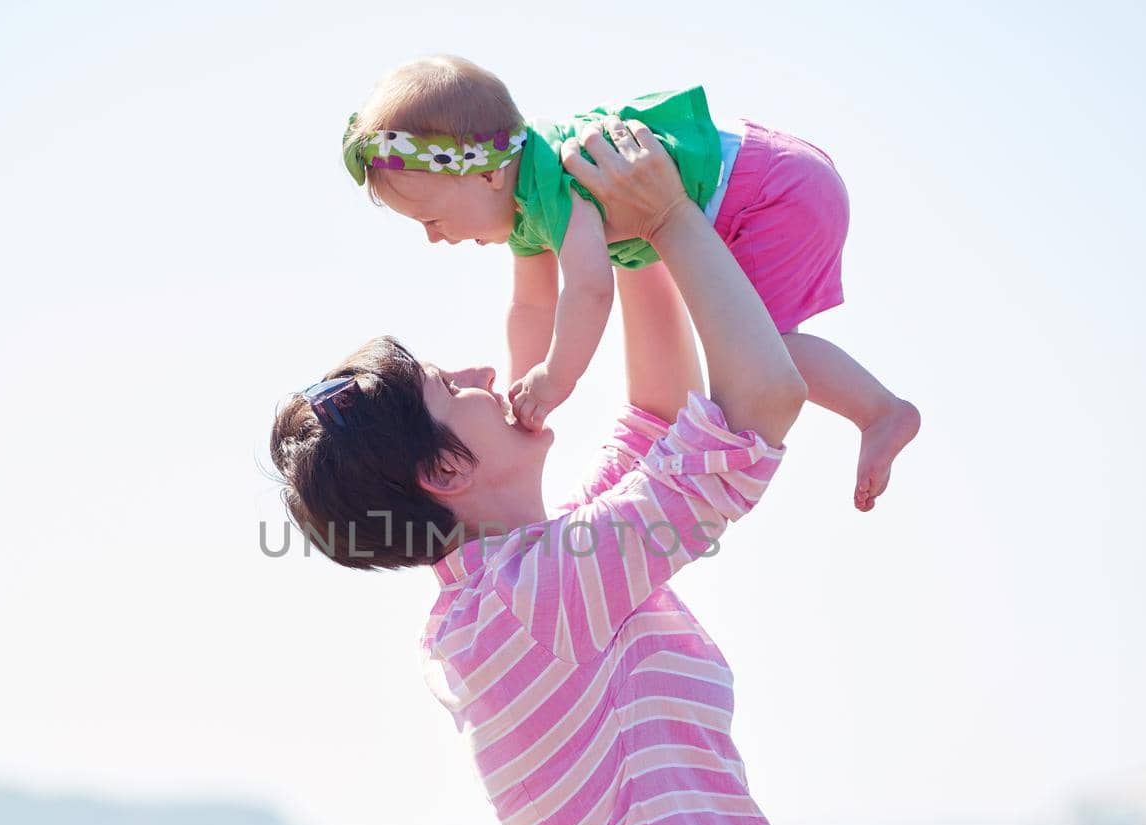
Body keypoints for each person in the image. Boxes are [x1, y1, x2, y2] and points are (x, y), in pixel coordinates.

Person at [273, 119, 856, 825]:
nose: (475, 371)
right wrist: (669, 214)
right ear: (444, 472)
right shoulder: (520, 602)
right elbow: (760, 408)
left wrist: (616, 223)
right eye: (442, 387)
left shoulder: (515, 593)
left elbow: (657, 421)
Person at [342, 55, 919, 511]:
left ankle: (881, 412)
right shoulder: (523, 204)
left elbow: (590, 289)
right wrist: (523, 385)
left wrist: (556, 379)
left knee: (766, 355)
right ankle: (878, 411)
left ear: (488, 173)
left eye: (432, 220)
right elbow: (530, 304)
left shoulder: (553, 179)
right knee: (756, 354)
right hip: (766, 178)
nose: (434, 240)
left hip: (769, 194)